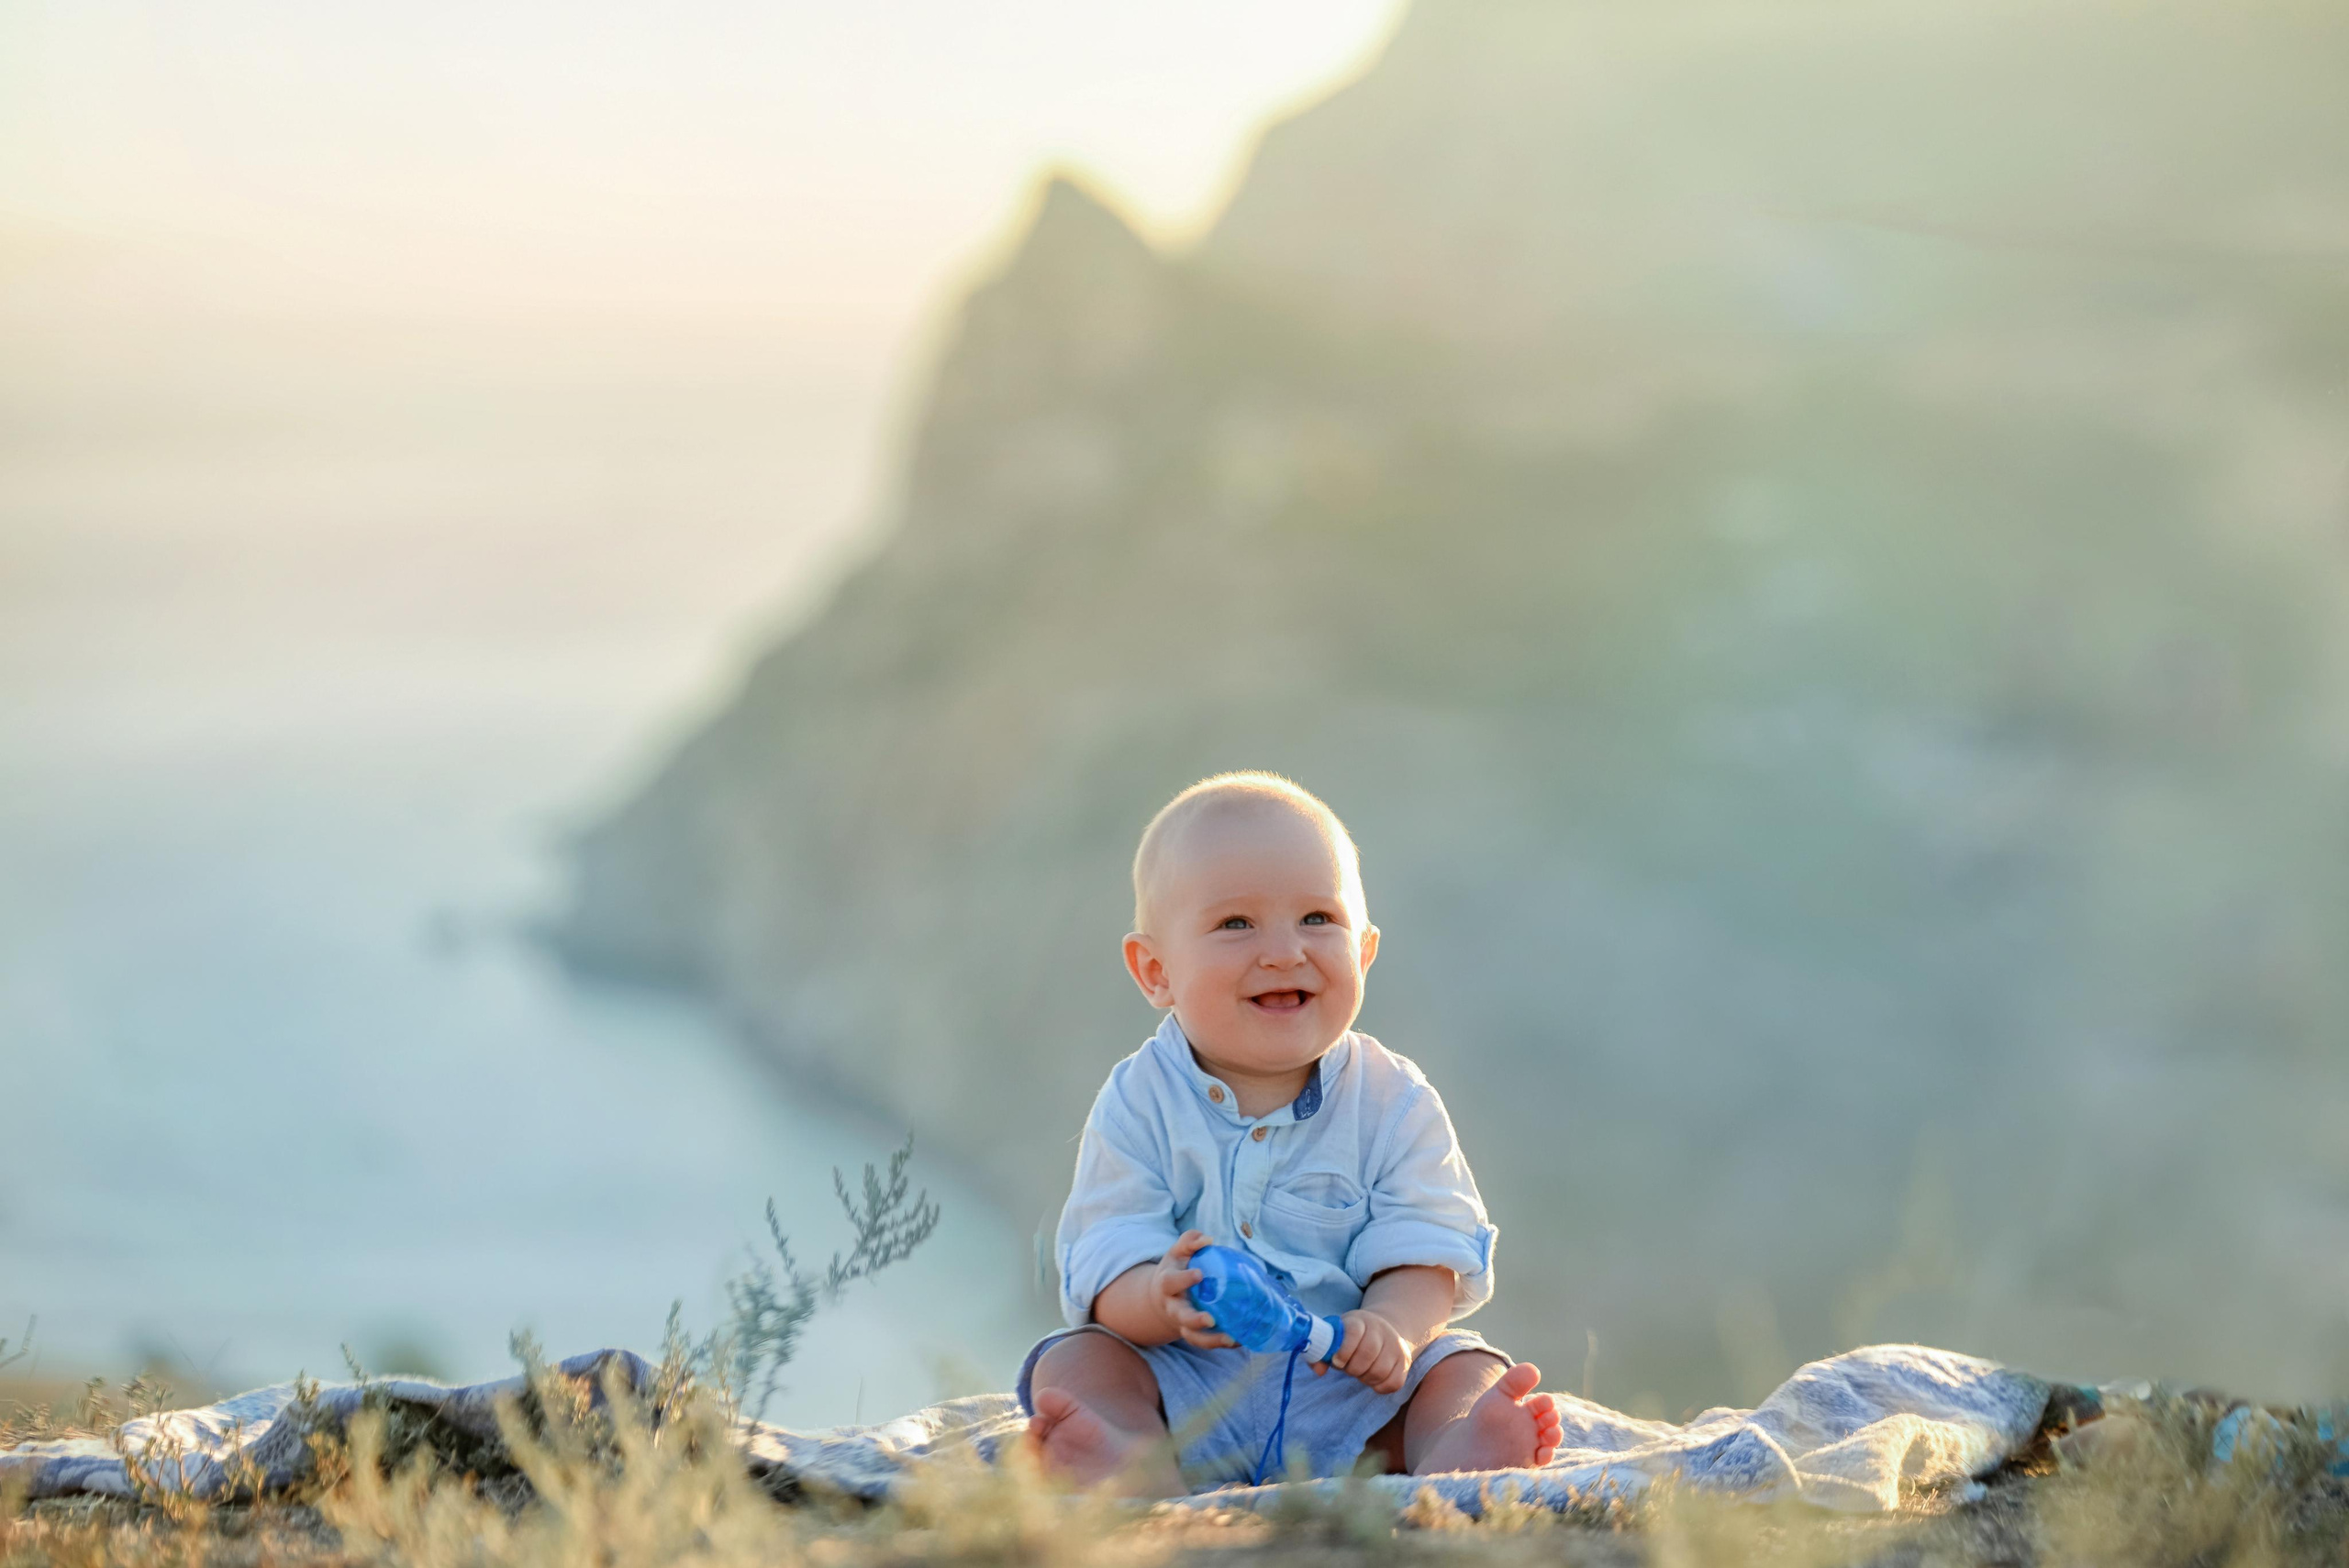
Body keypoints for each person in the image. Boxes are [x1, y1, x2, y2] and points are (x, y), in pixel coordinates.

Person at [1020, 772, 1563, 1495]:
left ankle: (1459, 1450)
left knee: (1463, 1367)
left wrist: (1392, 1327)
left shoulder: (1393, 1098)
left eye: (1317, 918)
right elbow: (1103, 1251)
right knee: (1077, 1360)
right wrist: (1158, 1295)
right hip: (1189, 1387)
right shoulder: (1140, 1098)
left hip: (1349, 1394)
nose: (1284, 950)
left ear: (1364, 952)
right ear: (1156, 970)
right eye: (1235, 924)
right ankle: (1128, 1456)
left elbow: (1427, 1241)